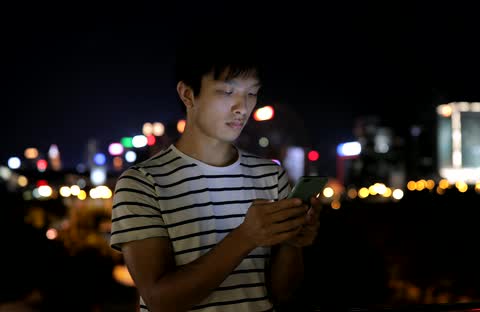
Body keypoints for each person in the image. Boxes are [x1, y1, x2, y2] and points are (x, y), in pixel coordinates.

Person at [109, 33, 321, 312]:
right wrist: (245, 237)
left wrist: (294, 243)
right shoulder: (142, 184)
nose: (242, 107)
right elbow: (160, 299)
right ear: (187, 94)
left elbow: (282, 293)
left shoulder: (271, 176)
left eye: (251, 93)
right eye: (227, 92)